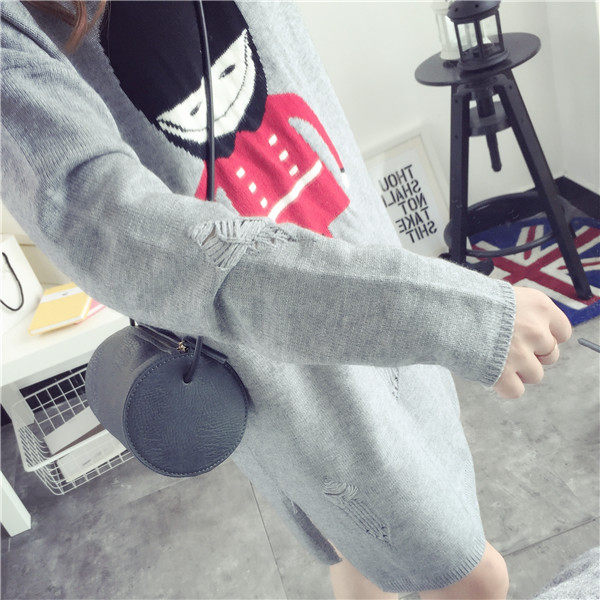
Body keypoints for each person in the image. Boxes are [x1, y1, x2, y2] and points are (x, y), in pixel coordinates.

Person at [0, 1, 572, 598]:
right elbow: (109, 223)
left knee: (362, 554)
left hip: (369, 269)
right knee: (471, 575)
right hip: (282, 373)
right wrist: (458, 317)